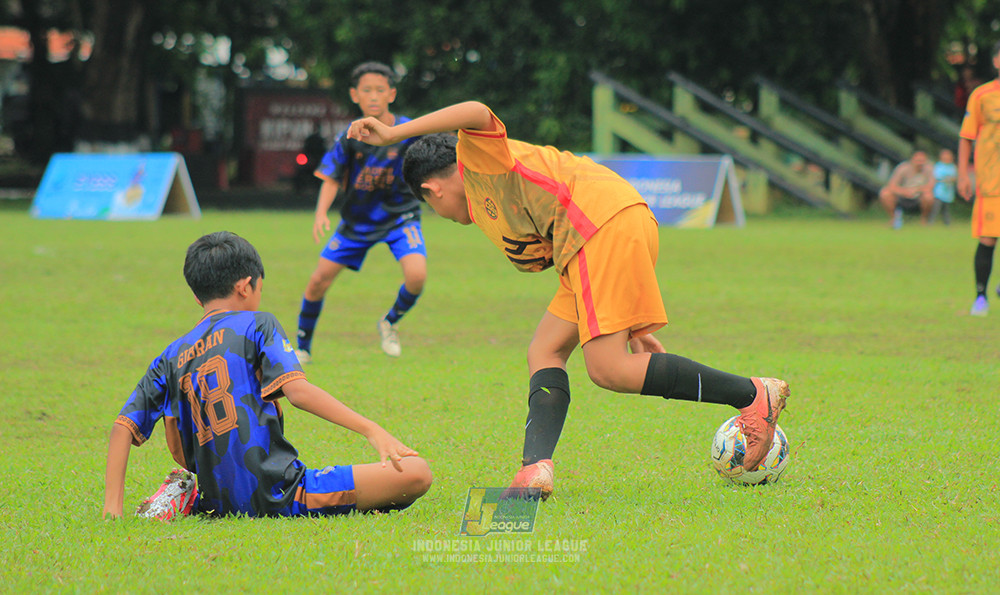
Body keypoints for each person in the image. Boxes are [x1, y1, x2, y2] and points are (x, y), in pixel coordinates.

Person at [346, 101, 790, 500]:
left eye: (429, 206)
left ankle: (752, 393)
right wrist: (634, 324)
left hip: (598, 228)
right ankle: (535, 469)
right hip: (594, 240)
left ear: (431, 190)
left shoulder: (477, 163)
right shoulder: (486, 207)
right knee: (545, 349)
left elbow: (478, 111)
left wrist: (392, 133)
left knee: (607, 369)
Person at [102, 231, 432, 519]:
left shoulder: (170, 355)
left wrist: (112, 512)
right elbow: (298, 393)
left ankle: (188, 496)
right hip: (283, 493)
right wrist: (373, 430)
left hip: (217, 503)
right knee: (417, 473)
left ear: (196, 294)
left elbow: (122, 428)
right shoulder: (258, 323)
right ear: (247, 286)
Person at [296, 62, 426, 361]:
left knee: (417, 275)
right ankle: (303, 345)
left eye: (380, 90)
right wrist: (321, 213)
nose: (374, 96)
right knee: (318, 282)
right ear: (355, 95)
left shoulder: (408, 130)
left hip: (399, 217)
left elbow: (429, 161)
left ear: (391, 94)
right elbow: (331, 176)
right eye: (367, 90)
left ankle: (389, 322)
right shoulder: (350, 136)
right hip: (356, 222)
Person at [958, 39, 1000, 316]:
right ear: (996, 61)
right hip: (992, 182)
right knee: (988, 238)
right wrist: (963, 173)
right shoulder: (982, 95)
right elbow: (966, 136)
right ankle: (980, 297)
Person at [878, 150, 935, 228]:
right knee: (885, 193)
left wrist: (917, 190)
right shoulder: (902, 168)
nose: (920, 163)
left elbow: (931, 185)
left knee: (929, 197)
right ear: (912, 160)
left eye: (922, 161)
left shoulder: (930, 169)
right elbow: (892, 185)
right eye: (918, 161)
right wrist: (905, 192)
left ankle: (924, 219)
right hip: (903, 195)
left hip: (919, 196)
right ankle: (894, 219)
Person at [293, 122, 326, 194]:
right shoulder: (310, 139)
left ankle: (319, 190)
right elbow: (305, 150)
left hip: (318, 162)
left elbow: (323, 151)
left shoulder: (321, 140)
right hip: (309, 161)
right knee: (300, 172)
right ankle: (299, 190)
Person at [930, 148, 957, 225]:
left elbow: (954, 177)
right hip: (939, 192)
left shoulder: (952, 167)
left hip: (948, 193)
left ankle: (947, 223)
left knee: (946, 210)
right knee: (936, 208)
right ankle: (931, 223)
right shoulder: (938, 166)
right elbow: (937, 177)